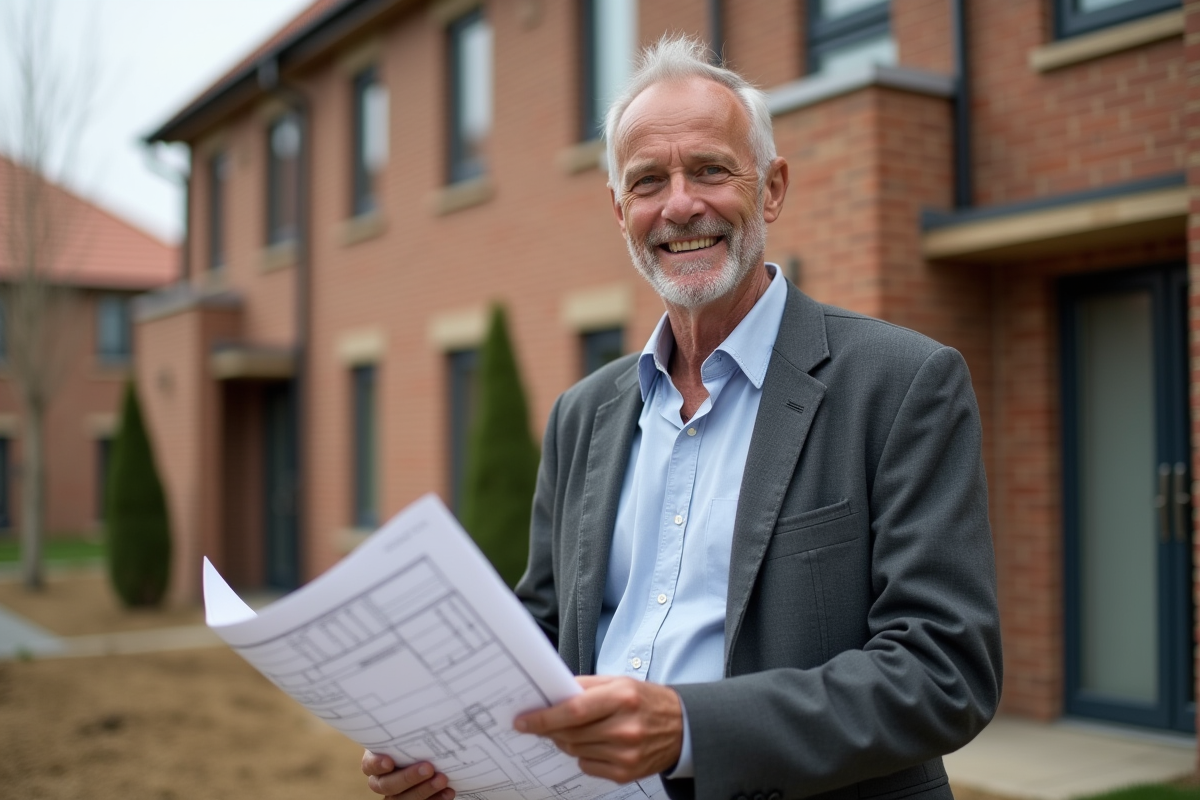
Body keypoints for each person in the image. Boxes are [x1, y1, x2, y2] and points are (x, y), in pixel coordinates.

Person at [364, 35, 1001, 800]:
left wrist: (690, 729)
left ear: (770, 189)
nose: (679, 205)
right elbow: (540, 638)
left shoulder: (901, 385)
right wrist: (443, 742)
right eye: (647, 181)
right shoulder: (582, 415)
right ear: (618, 210)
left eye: (709, 169)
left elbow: (944, 670)